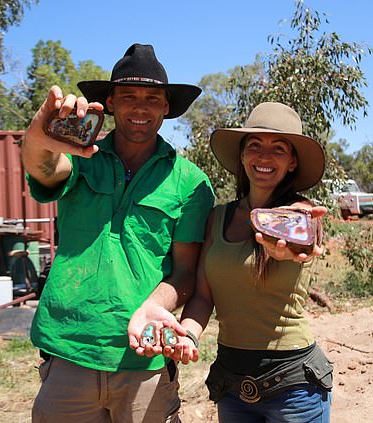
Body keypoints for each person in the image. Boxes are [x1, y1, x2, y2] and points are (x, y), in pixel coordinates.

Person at [21, 43, 215, 423]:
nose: (140, 107)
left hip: (143, 360)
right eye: (128, 96)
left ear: (166, 108)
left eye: (152, 98)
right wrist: (38, 138)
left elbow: (186, 271)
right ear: (110, 102)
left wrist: (154, 306)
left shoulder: (191, 183)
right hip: (68, 352)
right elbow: (45, 168)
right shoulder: (79, 156)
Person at [163, 102, 333, 422]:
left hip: (294, 387)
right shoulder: (217, 219)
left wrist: (291, 249)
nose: (264, 156)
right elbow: (202, 296)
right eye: (254, 145)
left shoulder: (300, 214)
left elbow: (306, 238)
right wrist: (187, 335)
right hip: (233, 384)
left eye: (278, 148)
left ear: (293, 162)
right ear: (242, 156)